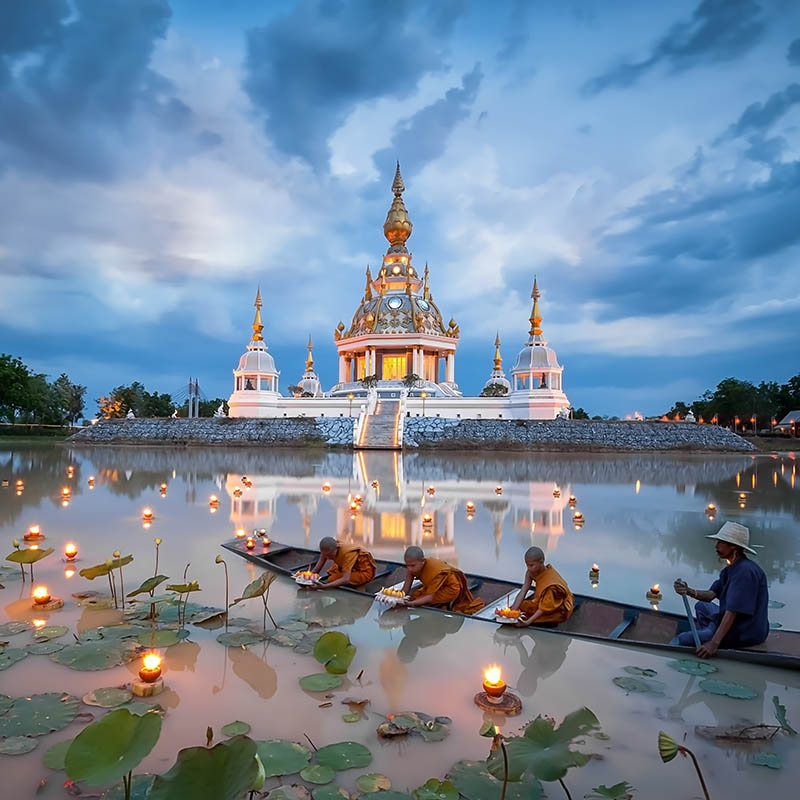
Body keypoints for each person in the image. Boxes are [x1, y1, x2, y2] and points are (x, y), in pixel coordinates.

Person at [673, 521, 768, 658]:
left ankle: (710, 635)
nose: (716, 546)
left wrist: (714, 643)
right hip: (735, 622)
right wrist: (688, 591)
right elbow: (711, 595)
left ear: (733, 547)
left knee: (683, 639)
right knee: (702, 606)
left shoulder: (744, 572)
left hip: (744, 631)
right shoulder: (732, 568)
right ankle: (708, 631)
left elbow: (732, 612)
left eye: (720, 542)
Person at [400, 546, 484, 615]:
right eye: (407, 565)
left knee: (421, 601)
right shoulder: (412, 568)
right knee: (414, 597)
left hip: (450, 589)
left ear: (423, 561)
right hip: (433, 587)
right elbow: (405, 589)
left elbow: (429, 597)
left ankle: (444, 605)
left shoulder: (434, 570)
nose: (409, 569)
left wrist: (411, 604)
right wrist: (397, 598)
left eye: (412, 565)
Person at [510, 546, 574, 627]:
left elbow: (543, 608)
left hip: (557, 610)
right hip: (543, 603)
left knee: (526, 616)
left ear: (541, 562)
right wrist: (512, 611)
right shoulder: (530, 572)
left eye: (531, 565)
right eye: (527, 565)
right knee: (521, 607)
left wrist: (527, 623)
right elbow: (524, 590)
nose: (528, 568)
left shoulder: (551, 585)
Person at [308, 537, 377, 590]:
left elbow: (346, 579)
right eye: (326, 555)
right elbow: (322, 560)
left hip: (363, 572)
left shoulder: (347, 553)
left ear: (337, 548)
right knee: (330, 571)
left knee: (331, 579)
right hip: (349, 566)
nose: (328, 559)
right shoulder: (328, 548)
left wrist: (325, 586)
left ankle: (358, 585)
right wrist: (309, 576)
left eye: (330, 555)